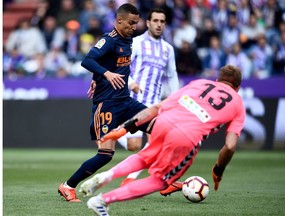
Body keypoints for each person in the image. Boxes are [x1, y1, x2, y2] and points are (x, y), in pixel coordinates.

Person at [79, 64, 246, 215]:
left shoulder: (200, 83)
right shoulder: (237, 103)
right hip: (186, 136)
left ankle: (107, 175)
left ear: (217, 80)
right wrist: (218, 170)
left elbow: (157, 107)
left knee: (144, 157)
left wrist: (124, 128)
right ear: (237, 88)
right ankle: (102, 200)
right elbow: (230, 146)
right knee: (161, 181)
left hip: (163, 122)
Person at [58, 3, 152, 202]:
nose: (134, 27)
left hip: (125, 101)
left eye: (136, 23)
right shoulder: (108, 40)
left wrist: (97, 77)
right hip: (107, 103)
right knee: (106, 154)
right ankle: (68, 186)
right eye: (131, 23)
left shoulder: (128, 40)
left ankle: (164, 177)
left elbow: (107, 62)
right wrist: (105, 75)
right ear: (119, 20)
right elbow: (88, 60)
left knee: (158, 124)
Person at [117, 7, 179, 186]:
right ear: (148, 22)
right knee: (135, 146)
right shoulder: (135, 43)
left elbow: (172, 75)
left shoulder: (168, 49)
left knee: (156, 144)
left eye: (162, 21)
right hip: (133, 101)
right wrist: (131, 83)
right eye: (156, 21)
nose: (159, 25)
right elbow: (122, 68)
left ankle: (132, 179)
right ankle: (113, 130)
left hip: (153, 104)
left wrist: (174, 98)